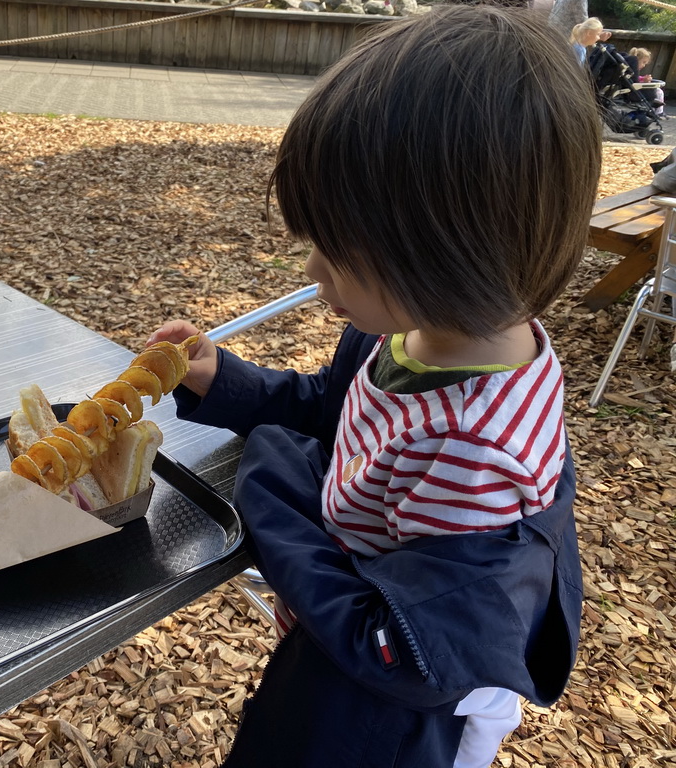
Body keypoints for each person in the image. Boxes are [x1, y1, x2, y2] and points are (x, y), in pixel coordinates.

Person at [147, 6, 597, 768]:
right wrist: (225, 383)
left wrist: (270, 490)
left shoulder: (473, 449)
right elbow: (335, 410)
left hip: (399, 717)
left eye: (336, 248)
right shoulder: (413, 331)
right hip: (350, 630)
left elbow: (399, 650)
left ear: (447, 253)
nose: (313, 270)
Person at [629, 46, 665, 117]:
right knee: (659, 91)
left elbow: (636, 78)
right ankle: (658, 112)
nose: (644, 65)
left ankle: (655, 108)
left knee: (658, 91)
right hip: (637, 92)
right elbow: (635, 82)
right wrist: (644, 81)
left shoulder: (631, 70)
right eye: (643, 62)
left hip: (636, 90)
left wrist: (643, 79)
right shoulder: (633, 70)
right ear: (637, 60)